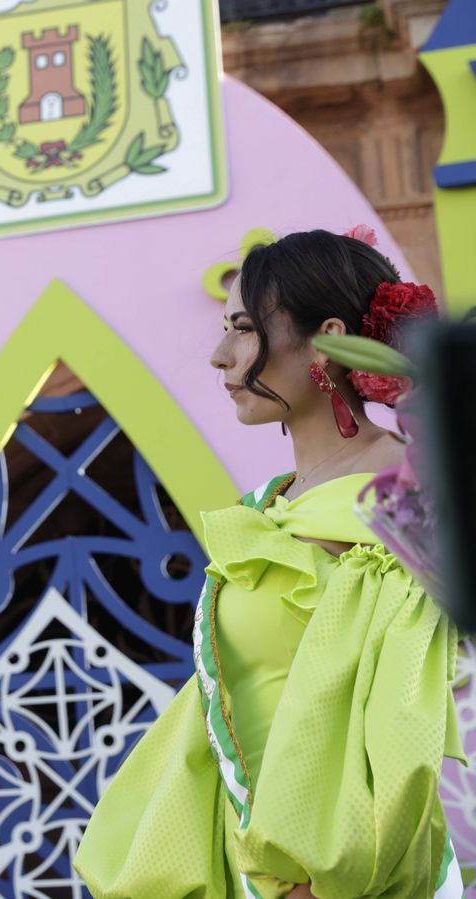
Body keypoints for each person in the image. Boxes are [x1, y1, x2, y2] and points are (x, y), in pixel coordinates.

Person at [73, 229, 460, 898]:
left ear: (326, 340)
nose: (222, 357)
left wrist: (323, 876)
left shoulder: (396, 500)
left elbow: (403, 717)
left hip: (334, 876)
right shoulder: (271, 505)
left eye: (246, 330)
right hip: (245, 858)